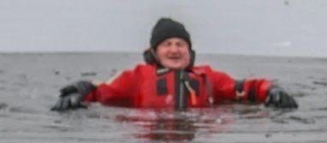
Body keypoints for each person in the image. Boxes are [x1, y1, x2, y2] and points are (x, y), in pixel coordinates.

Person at [52, 18, 297, 111]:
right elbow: (101, 90)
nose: (174, 49)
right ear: (154, 52)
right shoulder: (137, 76)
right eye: (167, 44)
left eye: (180, 44)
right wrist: (79, 91)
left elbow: (246, 88)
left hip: (194, 135)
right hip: (152, 135)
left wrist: (272, 90)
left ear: (189, 51)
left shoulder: (207, 77)